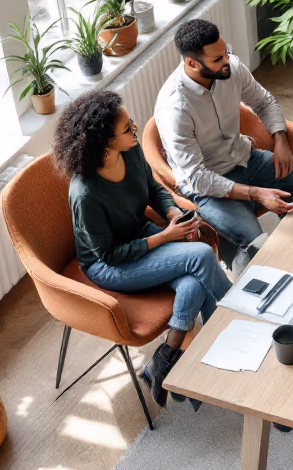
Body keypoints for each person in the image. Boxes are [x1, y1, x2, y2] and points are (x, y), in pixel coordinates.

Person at [55, 90, 231, 407]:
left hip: (142, 236)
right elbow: (107, 255)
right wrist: (164, 238)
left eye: (131, 123)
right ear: (104, 143)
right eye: (126, 129)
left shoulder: (131, 152)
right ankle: (237, 320)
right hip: (109, 266)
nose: (134, 130)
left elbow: (153, 189)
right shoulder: (85, 193)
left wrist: (173, 215)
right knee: (202, 257)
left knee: (194, 281)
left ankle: (163, 362)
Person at [153, 19, 293, 271]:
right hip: (208, 187)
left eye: (226, 51)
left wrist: (280, 140)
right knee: (257, 245)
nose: (227, 60)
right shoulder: (174, 109)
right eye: (218, 59)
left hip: (246, 158)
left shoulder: (232, 68)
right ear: (192, 63)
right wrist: (255, 192)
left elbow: (265, 103)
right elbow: (197, 178)